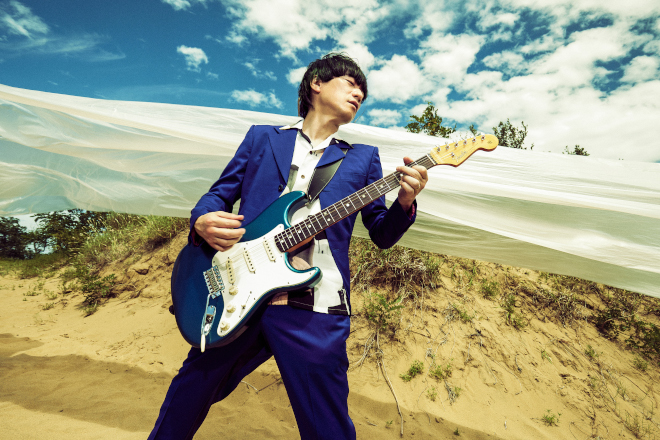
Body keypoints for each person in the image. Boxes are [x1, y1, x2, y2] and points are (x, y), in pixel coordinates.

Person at [148, 53, 428, 440]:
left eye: (363, 92)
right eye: (351, 83)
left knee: (327, 426)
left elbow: (381, 233)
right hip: (238, 292)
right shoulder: (262, 137)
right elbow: (219, 195)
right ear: (317, 83)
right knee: (187, 396)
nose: (359, 94)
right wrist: (201, 218)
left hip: (315, 305)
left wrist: (405, 202)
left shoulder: (363, 158)